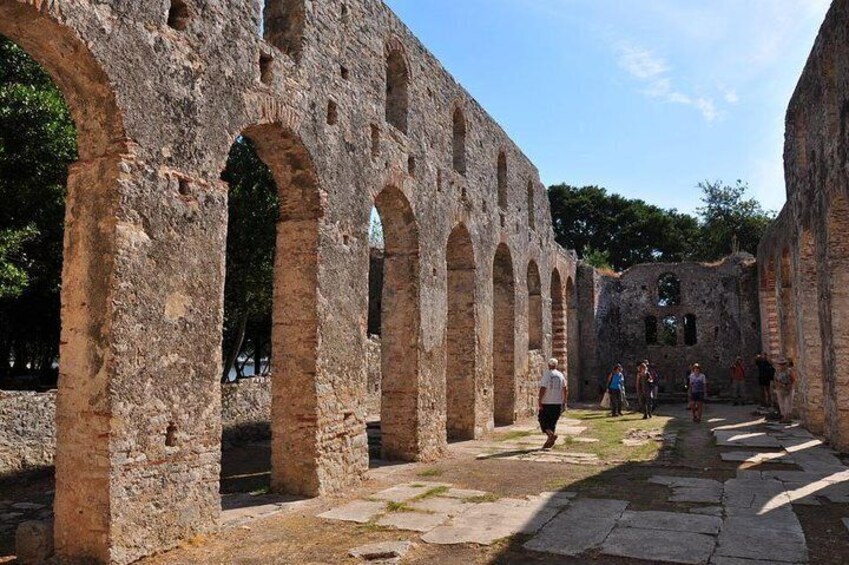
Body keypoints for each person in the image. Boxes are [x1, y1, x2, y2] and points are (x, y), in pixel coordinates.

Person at [538, 358, 567, 449]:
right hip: (557, 402)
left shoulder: (547, 375)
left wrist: (540, 400)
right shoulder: (561, 375)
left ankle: (550, 435)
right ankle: (549, 441)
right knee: (552, 422)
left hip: (547, 402)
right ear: (556, 365)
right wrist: (564, 400)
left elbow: (543, 388)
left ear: (548, 365)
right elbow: (565, 388)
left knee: (542, 420)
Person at [773, 357, 796, 424]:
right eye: (780, 364)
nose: (782, 365)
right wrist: (779, 384)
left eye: (783, 364)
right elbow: (775, 380)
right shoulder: (777, 372)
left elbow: (793, 379)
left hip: (789, 388)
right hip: (780, 389)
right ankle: (784, 416)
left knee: (789, 402)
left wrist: (789, 386)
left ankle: (787, 416)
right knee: (781, 402)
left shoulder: (789, 371)